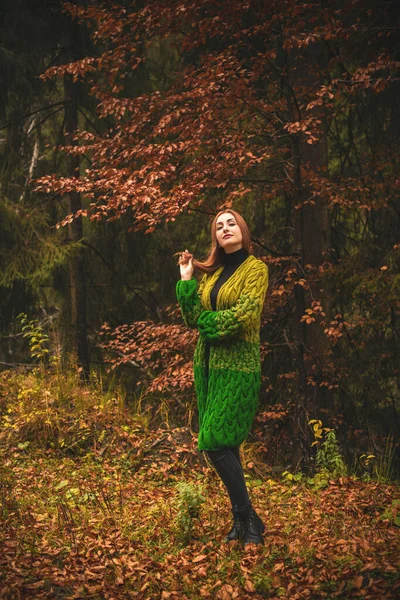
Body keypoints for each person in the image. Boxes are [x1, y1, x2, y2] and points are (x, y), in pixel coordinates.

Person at [176, 209, 269, 546]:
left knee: (212, 441)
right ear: (214, 237)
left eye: (231, 223)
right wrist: (187, 279)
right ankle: (247, 521)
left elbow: (243, 316)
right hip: (208, 366)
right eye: (219, 225)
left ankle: (247, 519)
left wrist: (205, 325)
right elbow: (192, 317)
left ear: (243, 230)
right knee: (226, 443)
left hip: (239, 366)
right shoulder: (211, 275)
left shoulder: (256, 270)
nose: (225, 228)